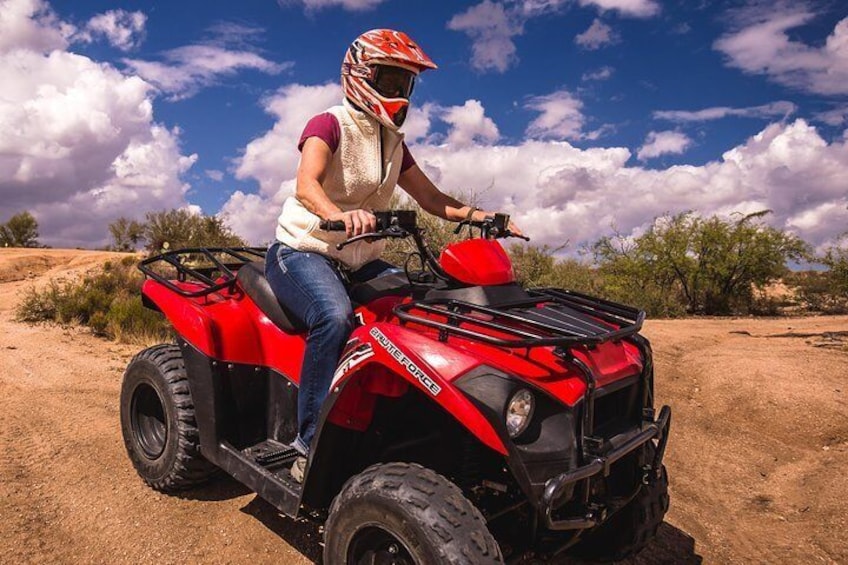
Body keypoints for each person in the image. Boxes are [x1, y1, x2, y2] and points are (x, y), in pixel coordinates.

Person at [265, 29, 520, 482]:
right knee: (334, 316)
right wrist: (338, 216)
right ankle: (307, 444)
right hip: (304, 250)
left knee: (423, 306)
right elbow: (307, 184)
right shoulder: (328, 124)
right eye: (389, 80)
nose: (398, 94)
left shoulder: (392, 142)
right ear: (361, 76)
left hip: (357, 259)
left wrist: (484, 216)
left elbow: (431, 198)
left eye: (405, 85)